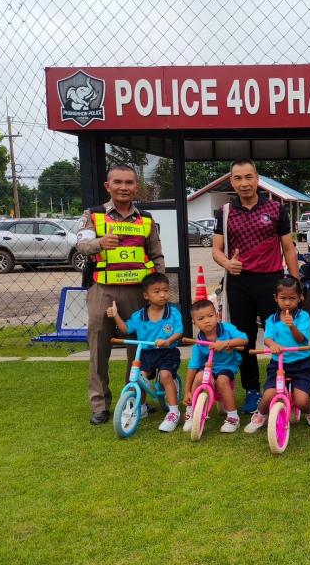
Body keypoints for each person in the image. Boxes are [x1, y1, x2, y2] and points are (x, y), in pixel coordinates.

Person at [76, 163, 165, 425]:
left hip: (138, 292)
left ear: (136, 187)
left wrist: (158, 288)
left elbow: (156, 254)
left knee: (139, 348)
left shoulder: (146, 219)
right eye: (118, 182)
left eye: (129, 182)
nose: (123, 187)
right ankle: (100, 406)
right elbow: (81, 245)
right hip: (102, 290)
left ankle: (135, 400)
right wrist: (100, 243)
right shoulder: (93, 215)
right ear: (108, 186)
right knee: (98, 348)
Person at [212, 159, 299, 415]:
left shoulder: (275, 208)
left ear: (257, 178)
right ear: (232, 182)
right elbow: (216, 250)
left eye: (248, 177)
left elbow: (288, 248)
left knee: (280, 334)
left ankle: (284, 383)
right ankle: (252, 389)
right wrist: (227, 263)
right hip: (238, 283)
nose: (244, 183)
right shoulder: (224, 212)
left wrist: (295, 284)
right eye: (238, 178)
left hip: (271, 281)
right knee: (244, 338)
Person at [243, 276, 310, 433]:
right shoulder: (272, 320)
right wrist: (272, 345)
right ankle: (260, 415)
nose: (287, 303)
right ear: (276, 298)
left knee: (302, 400)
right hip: (278, 364)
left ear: (300, 298)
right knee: (268, 396)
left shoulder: (303, 317)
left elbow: (301, 339)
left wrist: (292, 326)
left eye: (292, 298)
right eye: (283, 298)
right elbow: (267, 338)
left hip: (302, 364)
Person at [105, 272, 184, 432]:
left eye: (166, 290)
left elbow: (179, 332)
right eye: (157, 291)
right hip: (147, 353)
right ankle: (140, 407)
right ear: (146, 295)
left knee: (165, 376)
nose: (163, 295)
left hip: (167, 352)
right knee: (139, 378)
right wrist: (116, 315)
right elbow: (126, 329)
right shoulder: (139, 316)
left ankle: (173, 412)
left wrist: (168, 341)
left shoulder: (173, 312)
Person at [182, 299, 249, 433]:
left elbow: (244, 339)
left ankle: (233, 417)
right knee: (199, 376)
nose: (207, 321)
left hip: (227, 366)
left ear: (217, 315)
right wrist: (187, 391)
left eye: (210, 316)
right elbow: (192, 367)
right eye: (201, 318)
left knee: (222, 381)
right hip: (209, 367)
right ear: (194, 322)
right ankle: (191, 410)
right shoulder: (199, 343)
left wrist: (226, 343)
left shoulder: (227, 329)